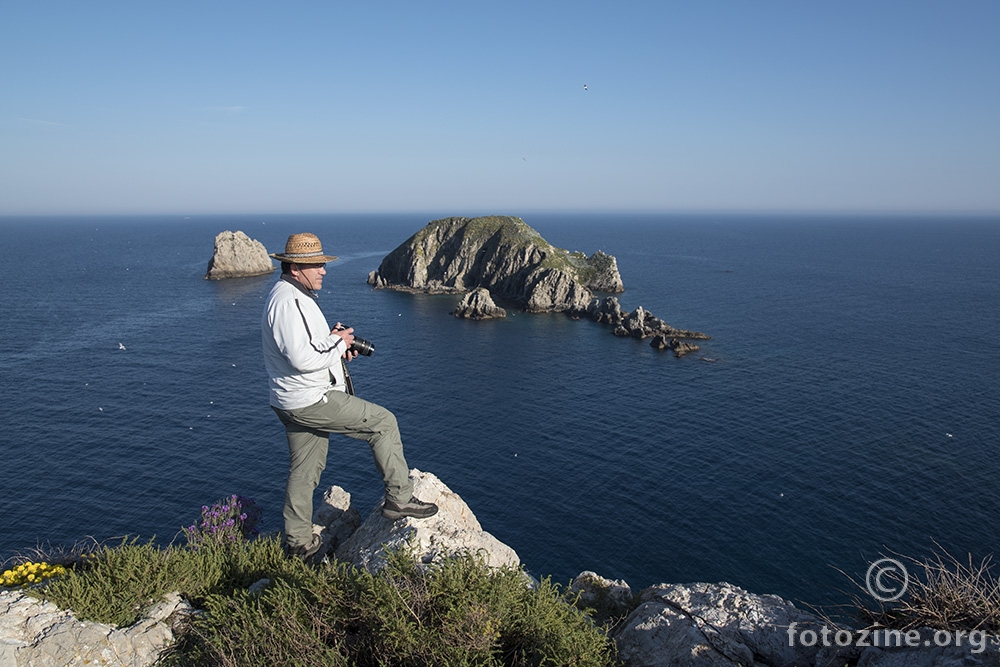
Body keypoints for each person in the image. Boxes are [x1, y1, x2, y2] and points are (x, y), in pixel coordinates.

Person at [262, 232, 438, 562]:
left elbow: (304, 349)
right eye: (316, 265)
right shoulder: (290, 302)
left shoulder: (292, 296)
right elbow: (301, 359)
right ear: (296, 267)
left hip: (291, 399)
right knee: (384, 423)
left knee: (305, 468)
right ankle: (399, 499)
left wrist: (332, 345)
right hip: (310, 398)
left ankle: (299, 542)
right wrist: (340, 343)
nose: (323, 271)